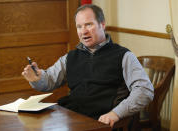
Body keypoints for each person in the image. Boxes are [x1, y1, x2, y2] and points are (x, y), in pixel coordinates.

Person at [22, 4, 154, 128]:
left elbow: (144, 90)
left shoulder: (124, 56)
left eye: (88, 25)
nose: (83, 31)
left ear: (102, 25)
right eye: (79, 27)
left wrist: (116, 113)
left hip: (100, 122)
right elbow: (49, 81)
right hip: (71, 118)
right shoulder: (70, 57)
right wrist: (37, 79)